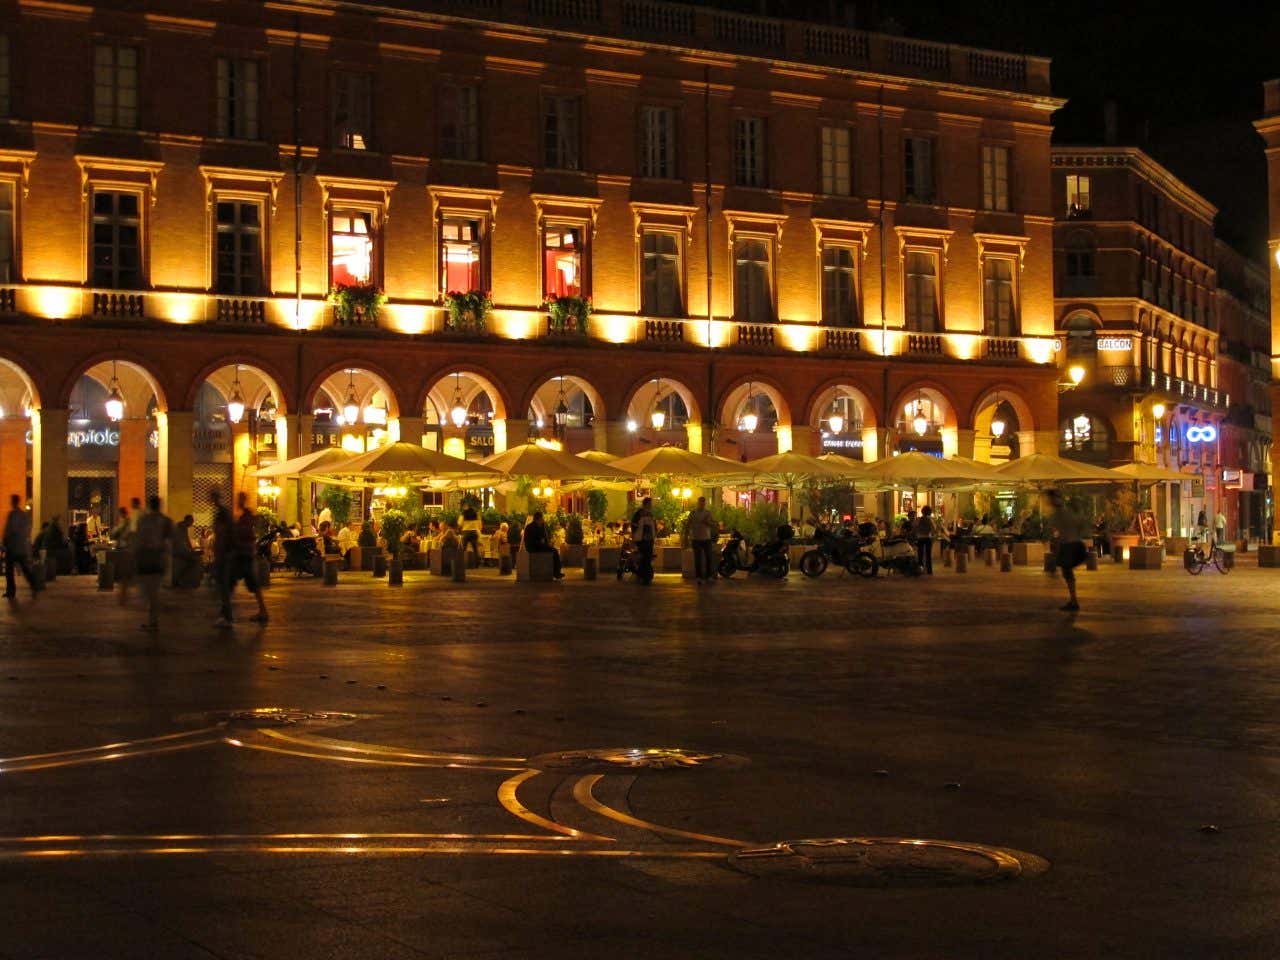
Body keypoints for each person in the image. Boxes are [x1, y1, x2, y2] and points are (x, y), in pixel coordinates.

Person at [134, 495, 174, 633]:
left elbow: (138, 540)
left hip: (146, 558)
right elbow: (171, 540)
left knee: (148, 591)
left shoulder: (143, 520)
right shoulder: (166, 521)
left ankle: (153, 620)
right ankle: (153, 619)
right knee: (154, 590)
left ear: (149, 505)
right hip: (158, 559)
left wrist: (135, 556)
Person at [231, 491, 269, 624]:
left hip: (245, 554)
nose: (237, 502)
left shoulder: (246, 516)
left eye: (239, 499)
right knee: (232, 581)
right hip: (243, 554)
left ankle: (262, 611)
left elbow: (246, 534)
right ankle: (226, 612)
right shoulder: (244, 516)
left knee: (248, 583)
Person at [1047, 489, 1087, 612]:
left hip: (1068, 546)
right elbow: (1081, 524)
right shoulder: (1068, 512)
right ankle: (1073, 600)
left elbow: (1057, 535)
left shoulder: (1057, 515)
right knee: (1068, 573)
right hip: (1076, 544)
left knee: (1067, 573)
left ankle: (1074, 601)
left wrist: (1055, 554)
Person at [3, 494, 38, 600]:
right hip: (20, 546)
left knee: (9, 570)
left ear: (13, 502)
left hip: (13, 546)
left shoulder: (13, 514)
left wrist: (5, 540)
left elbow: (9, 530)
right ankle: (33, 584)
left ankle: (11, 591)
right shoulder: (23, 515)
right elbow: (27, 528)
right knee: (24, 568)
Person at [523, 511, 563, 579]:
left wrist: (543, 527)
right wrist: (542, 542)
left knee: (553, 550)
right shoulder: (531, 527)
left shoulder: (538, 526)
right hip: (533, 548)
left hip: (537, 546)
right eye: (542, 519)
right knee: (555, 551)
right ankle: (556, 572)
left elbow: (544, 538)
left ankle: (556, 571)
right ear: (538, 519)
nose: (543, 520)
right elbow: (533, 540)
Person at [687, 496, 716, 585]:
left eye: (703, 503)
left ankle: (708, 576)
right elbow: (688, 523)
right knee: (698, 559)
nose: (702, 504)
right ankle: (699, 577)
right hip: (696, 538)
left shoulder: (708, 513)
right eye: (700, 503)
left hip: (706, 538)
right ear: (698, 503)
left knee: (708, 557)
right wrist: (687, 534)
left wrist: (707, 522)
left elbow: (714, 524)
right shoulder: (693, 513)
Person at [172, 514, 201, 587]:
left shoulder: (183, 527)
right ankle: (182, 579)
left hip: (181, 550)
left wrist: (192, 549)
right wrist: (191, 551)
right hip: (178, 551)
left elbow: (187, 540)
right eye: (192, 521)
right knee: (195, 560)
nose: (192, 523)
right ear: (188, 520)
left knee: (194, 559)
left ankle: (181, 579)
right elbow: (181, 543)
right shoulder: (180, 527)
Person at [631, 497, 656, 569]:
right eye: (650, 504)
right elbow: (634, 525)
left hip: (649, 539)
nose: (651, 506)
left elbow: (653, 526)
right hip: (641, 539)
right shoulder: (639, 514)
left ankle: (647, 573)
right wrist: (634, 536)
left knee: (648, 556)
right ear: (645, 504)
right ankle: (643, 572)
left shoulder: (650, 514)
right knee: (643, 556)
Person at [913, 505, 936, 575]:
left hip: (920, 538)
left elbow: (914, 526)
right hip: (928, 538)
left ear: (922, 511)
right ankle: (929, 571)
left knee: (920, 555)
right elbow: (934, 528)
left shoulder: (919, 519)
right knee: (928, 555)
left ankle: (920, 569)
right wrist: (931, 533)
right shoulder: (930, 520)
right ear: (929, 512)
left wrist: (918, 532)